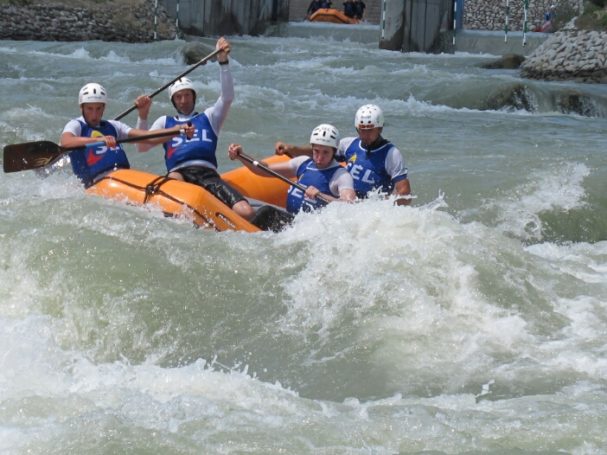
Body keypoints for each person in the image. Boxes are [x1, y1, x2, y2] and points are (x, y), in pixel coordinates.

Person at [135, 37, 257, 223]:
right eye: (179, 97)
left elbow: (227, 97)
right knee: (174, 178)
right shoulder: (165, 122)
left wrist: (223, 62)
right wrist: (142, 116)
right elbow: (142, 146)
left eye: (187, 95)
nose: (183, 101)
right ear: (173, 101)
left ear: (193, 96)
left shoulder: (209, 117)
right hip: (180, 173)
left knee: (246, 212)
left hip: (208, 175)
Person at [60, 82, 194, 188]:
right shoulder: (76, 125)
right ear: (81, 108)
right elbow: (66, 141)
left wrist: (177, 130)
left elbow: (147, 137)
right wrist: (98, 139)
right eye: (90, 109)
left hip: (123, 176)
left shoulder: (113, 126)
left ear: (104, 108)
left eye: (99, 108)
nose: (94, 114)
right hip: (97, 182)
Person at [275, 104, 411, 206]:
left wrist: (374, 206)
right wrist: (292, 149)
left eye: (370, 130)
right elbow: (321, 152)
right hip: (343, 198)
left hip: (367, 208)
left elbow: (405, 194)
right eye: (361, 130)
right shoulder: (349, 144)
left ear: (380, 128)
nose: (365, 135)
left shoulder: (391, 154)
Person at [229, 124, 355, 218]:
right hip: (288, 217)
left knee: (265, 212)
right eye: (316, 151)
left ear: (334, 151)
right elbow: (264, 170)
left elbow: (350, 205)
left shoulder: (341, 175)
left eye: (325, 152)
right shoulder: (303, 163)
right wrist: (241, 155)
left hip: (306, 227)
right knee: (242, 204)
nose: (319, 157)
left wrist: (321, 195)